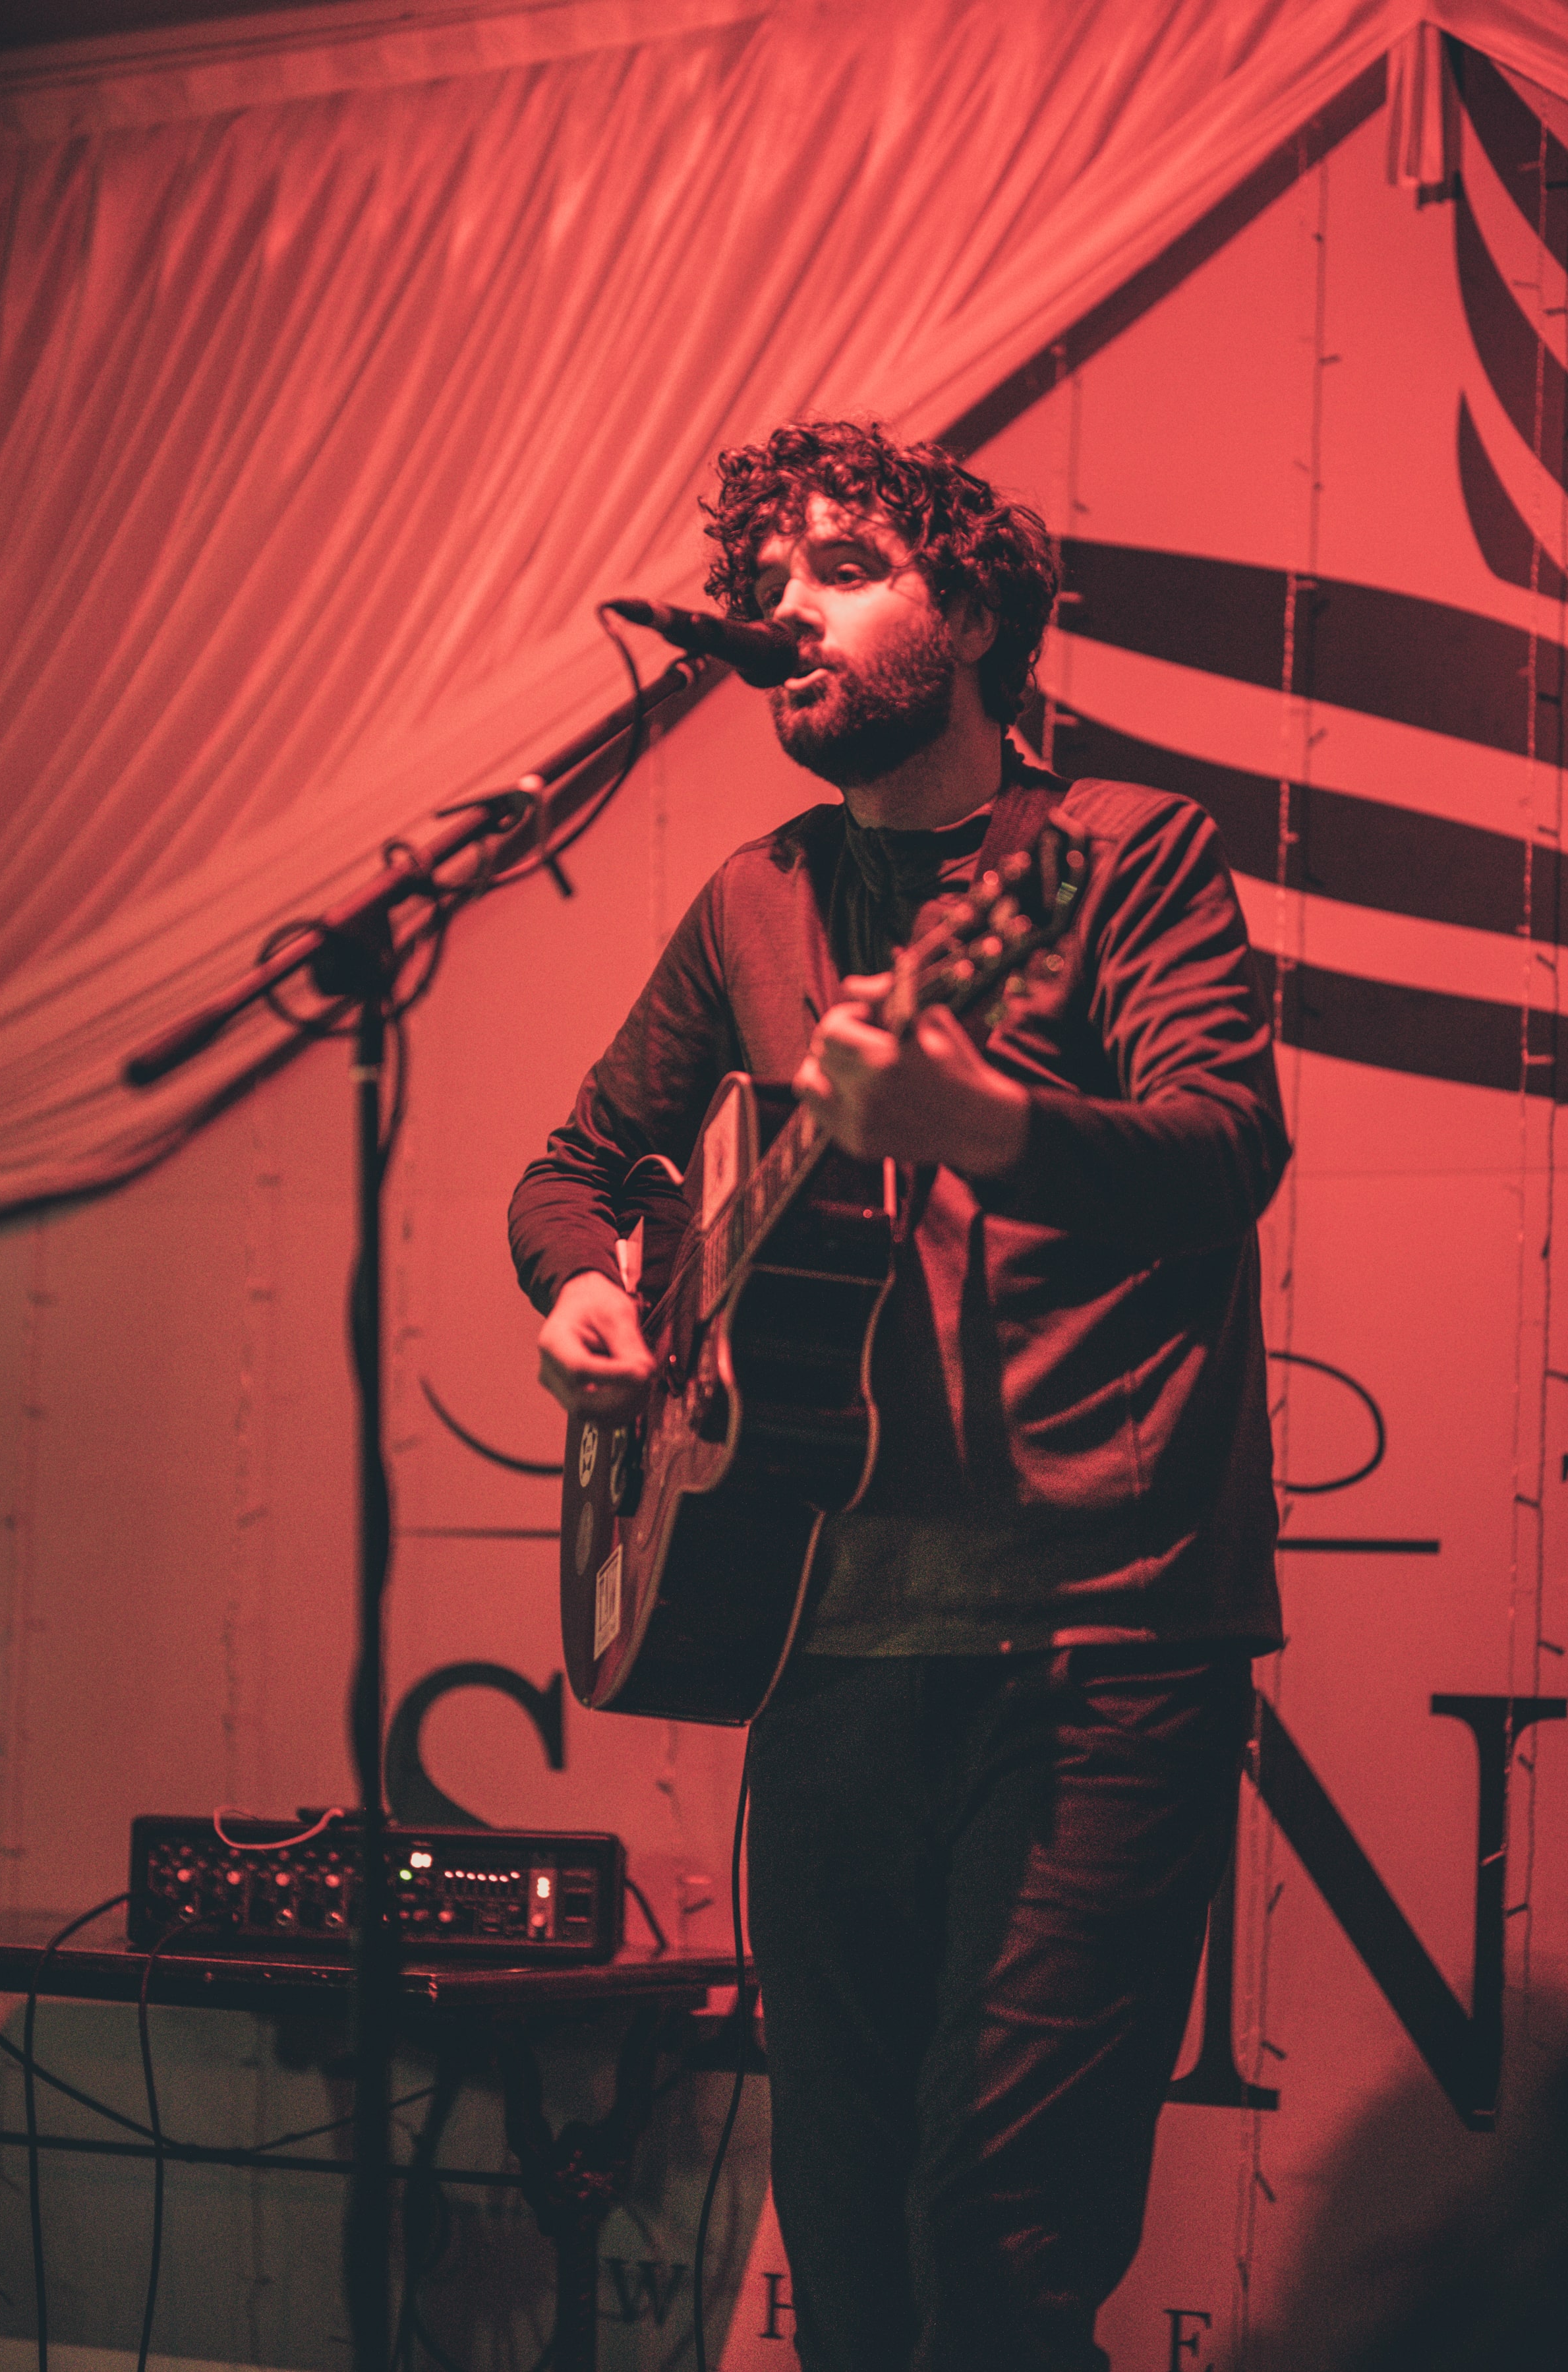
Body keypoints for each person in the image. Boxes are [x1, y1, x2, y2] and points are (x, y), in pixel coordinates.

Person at [508, 420, 1289, 2372]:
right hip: (827, 1648)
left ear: (980, 617)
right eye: (765, 579)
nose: (787, 606)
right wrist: (586, 1287)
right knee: (848, 2244)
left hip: (1097, 1647)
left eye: (844, 567)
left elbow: (1224, 1151)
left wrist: (982, 1121)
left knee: (995, 2241)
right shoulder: (755, 900)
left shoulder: (1123, 855)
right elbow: (574, 1172)